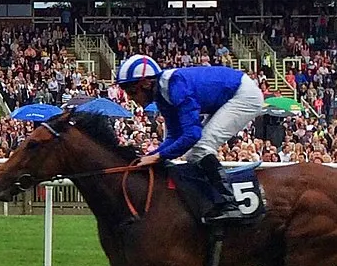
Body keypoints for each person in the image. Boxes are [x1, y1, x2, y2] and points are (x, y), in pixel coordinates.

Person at [113, 53, 266, 223]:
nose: (131, 98)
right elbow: (174, 136)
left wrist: (157, 156)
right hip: (226, 96)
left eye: (132, 92)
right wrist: (149, 156)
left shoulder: (176, 87)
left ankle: (231, 204)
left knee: (200, 148)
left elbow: (192, 134)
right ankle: (212, 200)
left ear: (147, 83)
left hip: (244, 95)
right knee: (193, 154)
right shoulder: (162, 94)